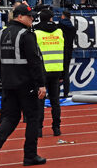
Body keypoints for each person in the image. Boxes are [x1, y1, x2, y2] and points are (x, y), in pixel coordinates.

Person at [0, 4, 46, 166]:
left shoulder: (0, 33)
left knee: (10, 118)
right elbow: (35, 61)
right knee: (33, 118)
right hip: (27, 85)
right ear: (19, 17)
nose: (32, 19)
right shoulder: (26, 34)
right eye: (29, 17)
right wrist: (41, 84)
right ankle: (30, 156)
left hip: (8, 83)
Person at [34, 9, 65, 137]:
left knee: (40, 102)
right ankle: (56, 128)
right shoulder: (59, 31)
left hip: (42, 72)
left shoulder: (36, 33)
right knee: (55, 102)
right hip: (57, 70)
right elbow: (65, 51)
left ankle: (39, 129)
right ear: (51, 18)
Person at [58, 9, 77, 97]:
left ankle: (55, 93)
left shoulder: (59, 26)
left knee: (57, 72)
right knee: (66, 72)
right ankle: (66, 92)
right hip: (68, 50)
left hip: (60, 50)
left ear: (63, 16)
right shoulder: (73, 28)